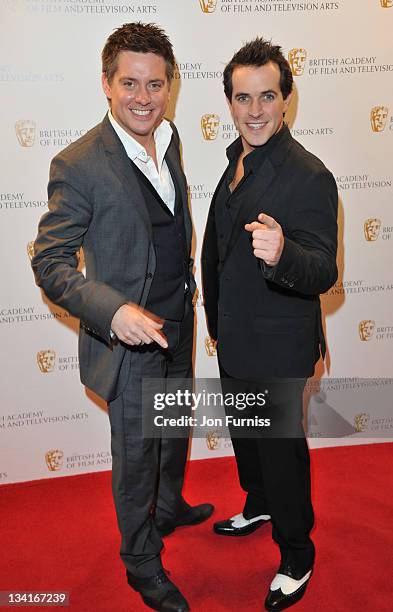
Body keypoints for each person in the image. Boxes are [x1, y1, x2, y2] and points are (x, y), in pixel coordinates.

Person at [32, 22, 214, 612]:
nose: (144, 97)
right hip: (129, 340)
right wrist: (114, 313)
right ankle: (141, 561)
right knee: (135, 456)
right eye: (130, 83)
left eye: (155, 84)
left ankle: (169, 507)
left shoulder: (172, 137)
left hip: (178, 322)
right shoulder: (80, 162)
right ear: (106, 85)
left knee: (173, 429)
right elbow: (51, 261)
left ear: (170, 85)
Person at [202, 37, 338, 611]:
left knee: (281, 452)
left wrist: (283, 254)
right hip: (234, 337)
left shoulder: (308, 174)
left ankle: (297, 552)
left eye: (267, 96)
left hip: (278, 346)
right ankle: (258, 502)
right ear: (229, 104)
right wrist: (215, 321)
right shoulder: (235, 159)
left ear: (286, 101)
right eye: (242, 98)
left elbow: (324, 268)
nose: (254, 110)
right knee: (247, 440)